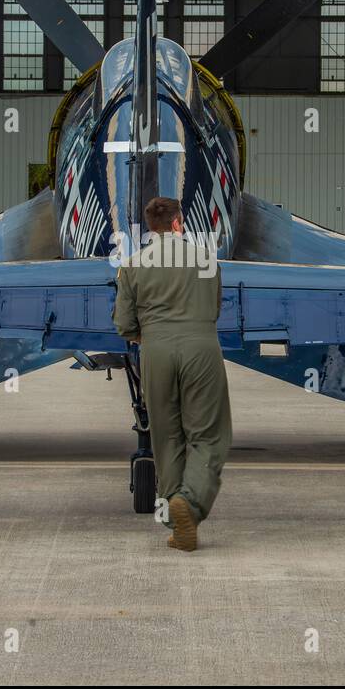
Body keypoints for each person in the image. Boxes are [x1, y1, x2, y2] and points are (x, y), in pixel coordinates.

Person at [113, 196, 231, 553]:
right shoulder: (208, 261)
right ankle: (190, 503)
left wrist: (149, 333)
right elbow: (213, 307)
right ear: (179, 223)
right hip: (201, 347)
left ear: (152, 227)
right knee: (208, 435)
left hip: (156, 351)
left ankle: (174, 514)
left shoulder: (131, 266)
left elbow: (124, 324)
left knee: (166, 435)